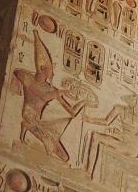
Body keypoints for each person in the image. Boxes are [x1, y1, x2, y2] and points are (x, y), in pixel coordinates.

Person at [13, 16, 85, 163]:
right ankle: (25, 128)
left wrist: (82, 103)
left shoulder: (48, 87)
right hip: (29, 114)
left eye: (49, 69)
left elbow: (70, 110)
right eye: (47, 69)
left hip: (35, 117)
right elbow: (38, 92)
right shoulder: (28, 78)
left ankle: (26, 129)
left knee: (56, 137)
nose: (49, 71)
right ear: (40, 69)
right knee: (50, 137)